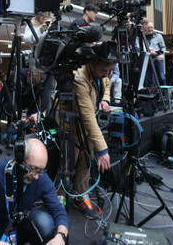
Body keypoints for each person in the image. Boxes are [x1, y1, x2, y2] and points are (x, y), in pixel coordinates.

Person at [0, 138, 69, 245]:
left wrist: (60, 236)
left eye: (41, 170)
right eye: (33, 169)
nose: (36, 176)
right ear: (18, 159)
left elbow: (58, 210)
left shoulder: (41, 178)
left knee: (45, 223)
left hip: (20, 225)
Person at [72, 43, 116, 219]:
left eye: (109, 70)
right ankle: (59, 202)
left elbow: (106, 81)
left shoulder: (102, 71)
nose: (107, 74)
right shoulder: (79, 77)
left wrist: (105, 99)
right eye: (104, 70)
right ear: (92, 64)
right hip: (71, 127)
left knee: (85, 163)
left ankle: (81, 197)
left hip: (87, 129)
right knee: (66, 166)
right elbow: (88, 116)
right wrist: (103, 150)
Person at [142, 21, 167, 86]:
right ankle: (151, 94)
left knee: (161, 77)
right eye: (148, 28)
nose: (150, 29)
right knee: (148, 78)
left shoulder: (158, 36)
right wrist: (150, 52)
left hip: (157, 59)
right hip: (147, 60)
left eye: (151, 27)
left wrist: (162, 55)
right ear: (145, 27)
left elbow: (163, 47)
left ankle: (164, 94)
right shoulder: (142, 37)